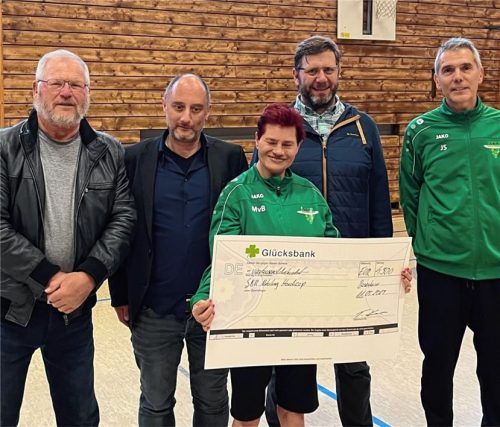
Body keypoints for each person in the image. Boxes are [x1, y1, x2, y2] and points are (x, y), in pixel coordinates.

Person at [255, 36, 393, 427]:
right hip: (290, 272)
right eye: (312, 70)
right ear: (296, 74)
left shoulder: (362, 128)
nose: (321, 78)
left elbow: (379, 200)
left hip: (350, 271)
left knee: (354, 367)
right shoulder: (280, 128)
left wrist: (383, 263)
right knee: (286, 365)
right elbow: (254, 194)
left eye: (328, 69)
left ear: (338, 72)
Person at [0, 49, 136, 426]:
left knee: (79, 416)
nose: (66, 92)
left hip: (73, 313)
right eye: (57, 82)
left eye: (76, 84)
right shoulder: (5, 148)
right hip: (10, 310)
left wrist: (89, 276)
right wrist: (49, 276)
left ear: (87, 93)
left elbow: (124, 218)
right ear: (36, 89)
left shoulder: (108, 151)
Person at [108, 74, 248, 426]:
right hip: (153, 307)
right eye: (179, 107)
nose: (186, 118)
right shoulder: (134, 159)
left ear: (208, 112)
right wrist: (120, 294)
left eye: (196, 109)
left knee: (213, 401)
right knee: (155, 403)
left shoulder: (230, 158)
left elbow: (245, 227)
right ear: (164, 107)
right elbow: (121, 229)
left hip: (214, 308)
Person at [192, 103, 339, 427]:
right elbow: (223, 259)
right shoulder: (236, 194)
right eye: (271, 141)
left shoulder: (311, 195)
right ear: (257, 140)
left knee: (292, 409)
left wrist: (386, 278)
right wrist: (201, 299)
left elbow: (336, 258)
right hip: (250, 326)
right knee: (247, 414)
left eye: (287, 144)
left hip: (299, 324)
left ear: (298, 147)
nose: (278, 150)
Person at [399, 37, 500, 426]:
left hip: (495, 273)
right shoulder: (420, 131)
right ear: (437, 79)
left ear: (481, 74)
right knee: (438, 366)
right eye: (448, 70)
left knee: (495, 367)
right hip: (441, 272)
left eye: (465, 67)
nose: (457, 76)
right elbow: (410, 195)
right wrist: (430, 241)